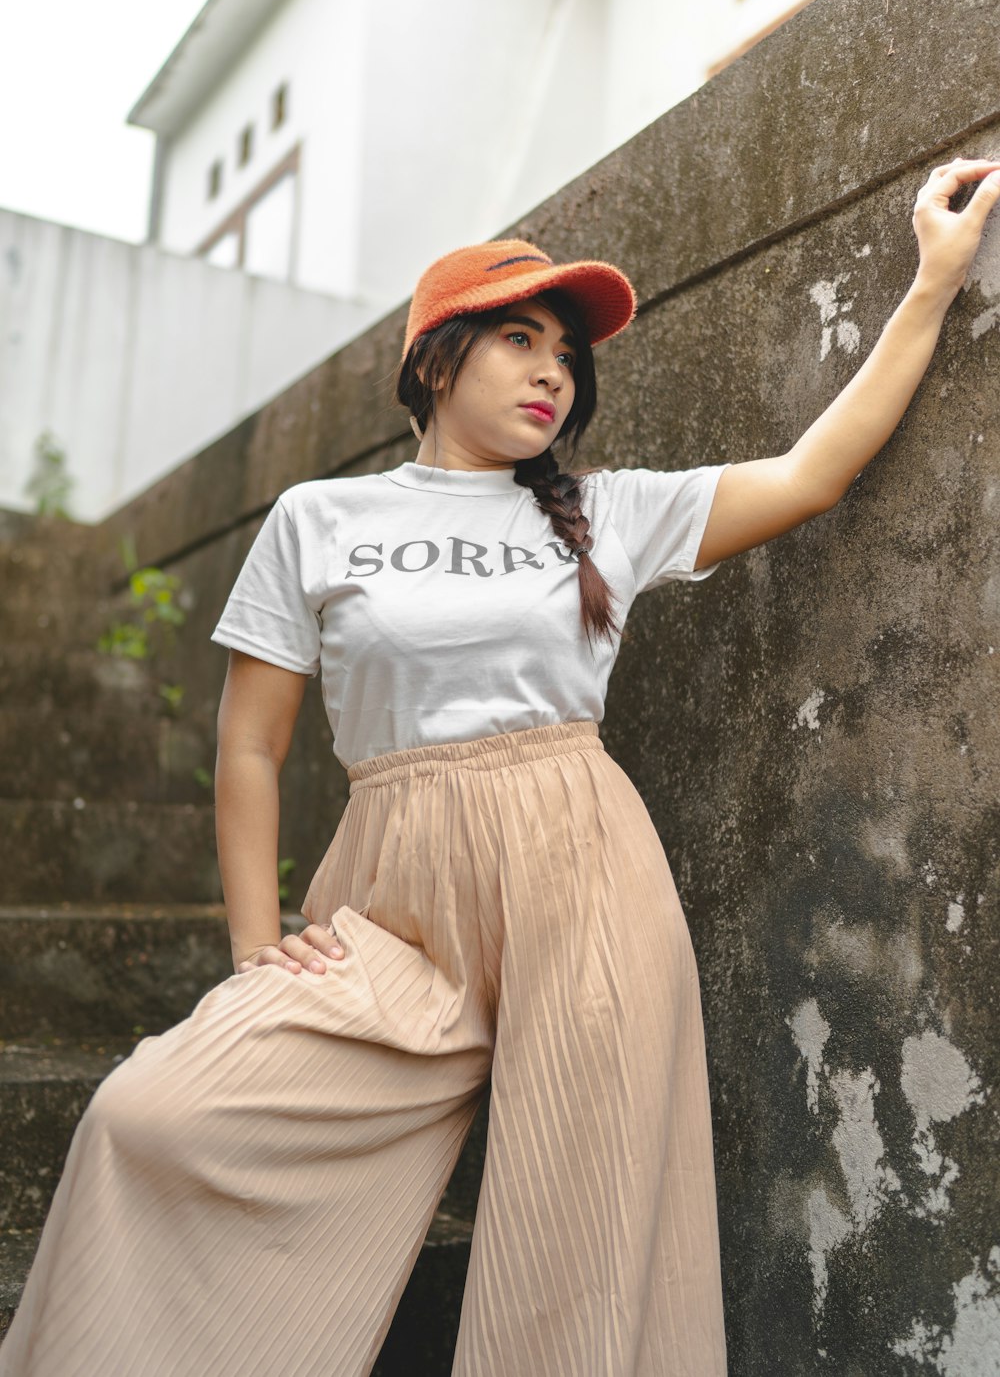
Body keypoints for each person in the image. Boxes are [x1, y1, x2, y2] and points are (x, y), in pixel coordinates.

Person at [2, 157, 998, 1377]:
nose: (551, 372)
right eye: (520, 340)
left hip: (584, 883)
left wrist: (931, 285)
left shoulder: (604, 512)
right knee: (146, 1115)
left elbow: (809, 473)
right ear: (435, 359)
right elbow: (250, 745)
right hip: (391, 909)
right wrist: (255, 942)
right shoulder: (318, 520)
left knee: (569, 1258)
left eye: (567, 356)